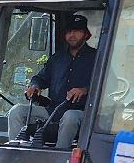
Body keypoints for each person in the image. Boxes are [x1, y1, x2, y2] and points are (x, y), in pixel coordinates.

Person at [8, 12, 98, 151]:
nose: (72, 35)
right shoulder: (57, 58)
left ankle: (58, 157)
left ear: (87, 35)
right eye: (69, 31)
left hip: (83, 112)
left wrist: (84, 90)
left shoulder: (97, 58)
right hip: (53, 110)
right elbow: (41, 78)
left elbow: (110, 85)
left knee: (70, 116)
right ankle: (14, 154)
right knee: (17, 111)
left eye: (77, 31)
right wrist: (35, 86)